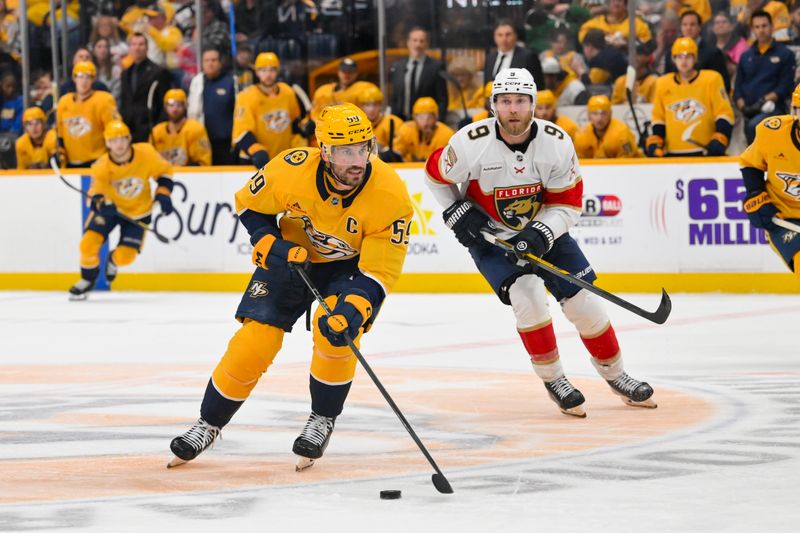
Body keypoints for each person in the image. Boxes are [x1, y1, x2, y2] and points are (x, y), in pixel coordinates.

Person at [168, 103, 413, 470]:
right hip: (291, 259)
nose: (357, 160)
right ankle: (209, 423)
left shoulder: (390, 195)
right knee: (255, 341)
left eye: (363, 148)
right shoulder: (291, 167)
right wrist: (271, 243)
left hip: (347, 269)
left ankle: (322, 419)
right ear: (324, 150)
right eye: (346, 151)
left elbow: (379, 272)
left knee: (336, 334)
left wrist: (353, 309)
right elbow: (250, 206)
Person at [424, 68, 655, 417]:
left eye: (520, 101)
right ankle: (555, 379)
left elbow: (568, 203)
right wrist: (456, 208)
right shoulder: (470, 142)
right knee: (528, 298)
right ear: (493, 106)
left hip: (546, 232)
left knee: (584, 305)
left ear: (533, 105)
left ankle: (617, 375)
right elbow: (433, 173)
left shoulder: (557, 142)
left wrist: (541, 232)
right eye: (505, 102)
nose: (512, 109)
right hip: (493, 238)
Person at [68, 120, 174, 300]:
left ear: (129, 139)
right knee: (87, 244)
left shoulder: (146, 153)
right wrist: (101, 203)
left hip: (139, 212)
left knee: (126, 257)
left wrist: (163, 193)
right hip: (111, 211)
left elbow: (165, 172)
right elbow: (95, 195)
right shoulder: (101, 166)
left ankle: (113, 260)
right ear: (107, 143)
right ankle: (87, 279)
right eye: (114, 140)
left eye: (123, 139)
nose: (119, 144)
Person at [740, 83, 800, 279]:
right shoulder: (772, 133)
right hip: (784, 217)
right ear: (795, 111)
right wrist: (756, 193)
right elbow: (750, 163)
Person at [647, 37, 734, 157]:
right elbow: (658, 117)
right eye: (679, 56)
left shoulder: (712, 79)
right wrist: (656, 140)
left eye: (688, 56)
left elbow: (724, 112)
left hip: (705, 152)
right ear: (673, 59)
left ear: (695, 58)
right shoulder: (663, 83)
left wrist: (720, 136)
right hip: (672, 154)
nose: (684, 61)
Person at [232, 52, 309, 169]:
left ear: (277, 71)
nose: (268, 74)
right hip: (255, 159)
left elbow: (293, 122)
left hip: (282, 158)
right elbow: (241, 133)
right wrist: (256, 150)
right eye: (263, 70)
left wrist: (305, 126)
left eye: (272, 70)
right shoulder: (246, 96)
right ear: (256, 72)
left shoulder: (287, 92)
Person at [734, 11, 796, 144]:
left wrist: (762, 102)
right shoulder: (746, 56)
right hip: (746, 110)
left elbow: (785, 86)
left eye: (764, 26)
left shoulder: (785, 54)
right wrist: (743, 107)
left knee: (755, 126)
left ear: (771, 26)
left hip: (774, 108)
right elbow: (738, 86)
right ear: (752, 30)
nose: (761, 30)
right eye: (757, 27)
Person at [55, 61, 120, 167]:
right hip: (70, 164)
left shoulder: (104, 100)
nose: (84, 81)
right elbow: (60, 135)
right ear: (74, 78)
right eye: (80, 76)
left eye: (88, 77)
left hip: (97, 162)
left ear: (93, 79)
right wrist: (60, 154)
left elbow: (114, 132)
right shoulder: (64, 102)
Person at [119, 33, 173, 143]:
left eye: (141, 44)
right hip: (129, 130)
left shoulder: (159, 72)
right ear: (129, 48)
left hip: (149, 129)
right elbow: (125, 101)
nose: (137, 48)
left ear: (147, 47)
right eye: (133, 44)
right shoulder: (125, 73)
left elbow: (164, 103)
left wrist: (157, 128)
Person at [188, 48, 236, 165]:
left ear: (220, 62)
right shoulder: (197, 82)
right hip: (202, 141)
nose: (210, 63)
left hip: (225, 143)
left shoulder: (231, 81)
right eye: (207, 60)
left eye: (214, 60)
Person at [389, 27, 448, 121]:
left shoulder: (436, 67)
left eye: (422, 41)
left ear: (427, 44)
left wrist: (439, 122)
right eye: (414, 40)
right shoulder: (398, 67)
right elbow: (394, 98)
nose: (418, 44)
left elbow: (442, 99)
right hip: (401, 121)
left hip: (426, 122)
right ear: (408, 43)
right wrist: (393, 122)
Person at [664, 10, 731, 92]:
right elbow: (667, 82)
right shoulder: (671, 52)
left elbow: (724, 85)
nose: (688, 28)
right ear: (680, 28)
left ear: (699, 27)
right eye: (685, 25)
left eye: (692, 24)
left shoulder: (713, 53)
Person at [151, 89, 212, 166]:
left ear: (185, 106)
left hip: (189, 176)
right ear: (165, 106)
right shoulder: (156, 132)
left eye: (179, 104)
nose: (175, 109)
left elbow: (203, 162)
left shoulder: (195, 129)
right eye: (171, 105)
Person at [574, 95, 641, 158]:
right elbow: (579, 163)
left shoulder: (622, 133)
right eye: (595, 113)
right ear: (588, 115)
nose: (599, 118)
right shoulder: (581, 135)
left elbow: (628, 163)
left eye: (604, 113)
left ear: (610, 114)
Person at [484, 19, 544, 88]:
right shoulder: (490, 58)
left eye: (508, 34)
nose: (504, 39)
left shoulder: (528, 57)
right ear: (494, 37)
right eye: (500, 35)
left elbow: (538, 87)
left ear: (515, 36)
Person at [309, 58, 373, 122]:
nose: (347, 75)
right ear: (338, 72)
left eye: (350, 72)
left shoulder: (364, 89)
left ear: (356, 73)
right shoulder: (323, 91)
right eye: (344, 71)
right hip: (325, 128)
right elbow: (315, 114)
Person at [394, 97, 455, 162]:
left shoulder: (447, 134)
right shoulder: (406, 129)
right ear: (414, 118)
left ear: (436, 117)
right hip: (410, 169)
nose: (425, 123)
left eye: (429, 118)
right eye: (421, 117)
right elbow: (397, 152)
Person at [355, 83, 403, 156]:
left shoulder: (393, 121)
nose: (371, 109)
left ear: (381, 105)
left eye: (375, 104)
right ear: (361, 107)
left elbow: (402, 146)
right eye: (367, 105)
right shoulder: (356, 126)